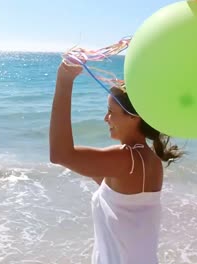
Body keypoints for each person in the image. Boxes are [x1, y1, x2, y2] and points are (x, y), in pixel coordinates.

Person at [49, 61, 183, 264]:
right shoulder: (148, 160)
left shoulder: (126, 161)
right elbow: (105, 184)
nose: (106, 118)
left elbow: (60, 155)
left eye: (111, 111)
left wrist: (64, 82)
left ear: (134, 117)